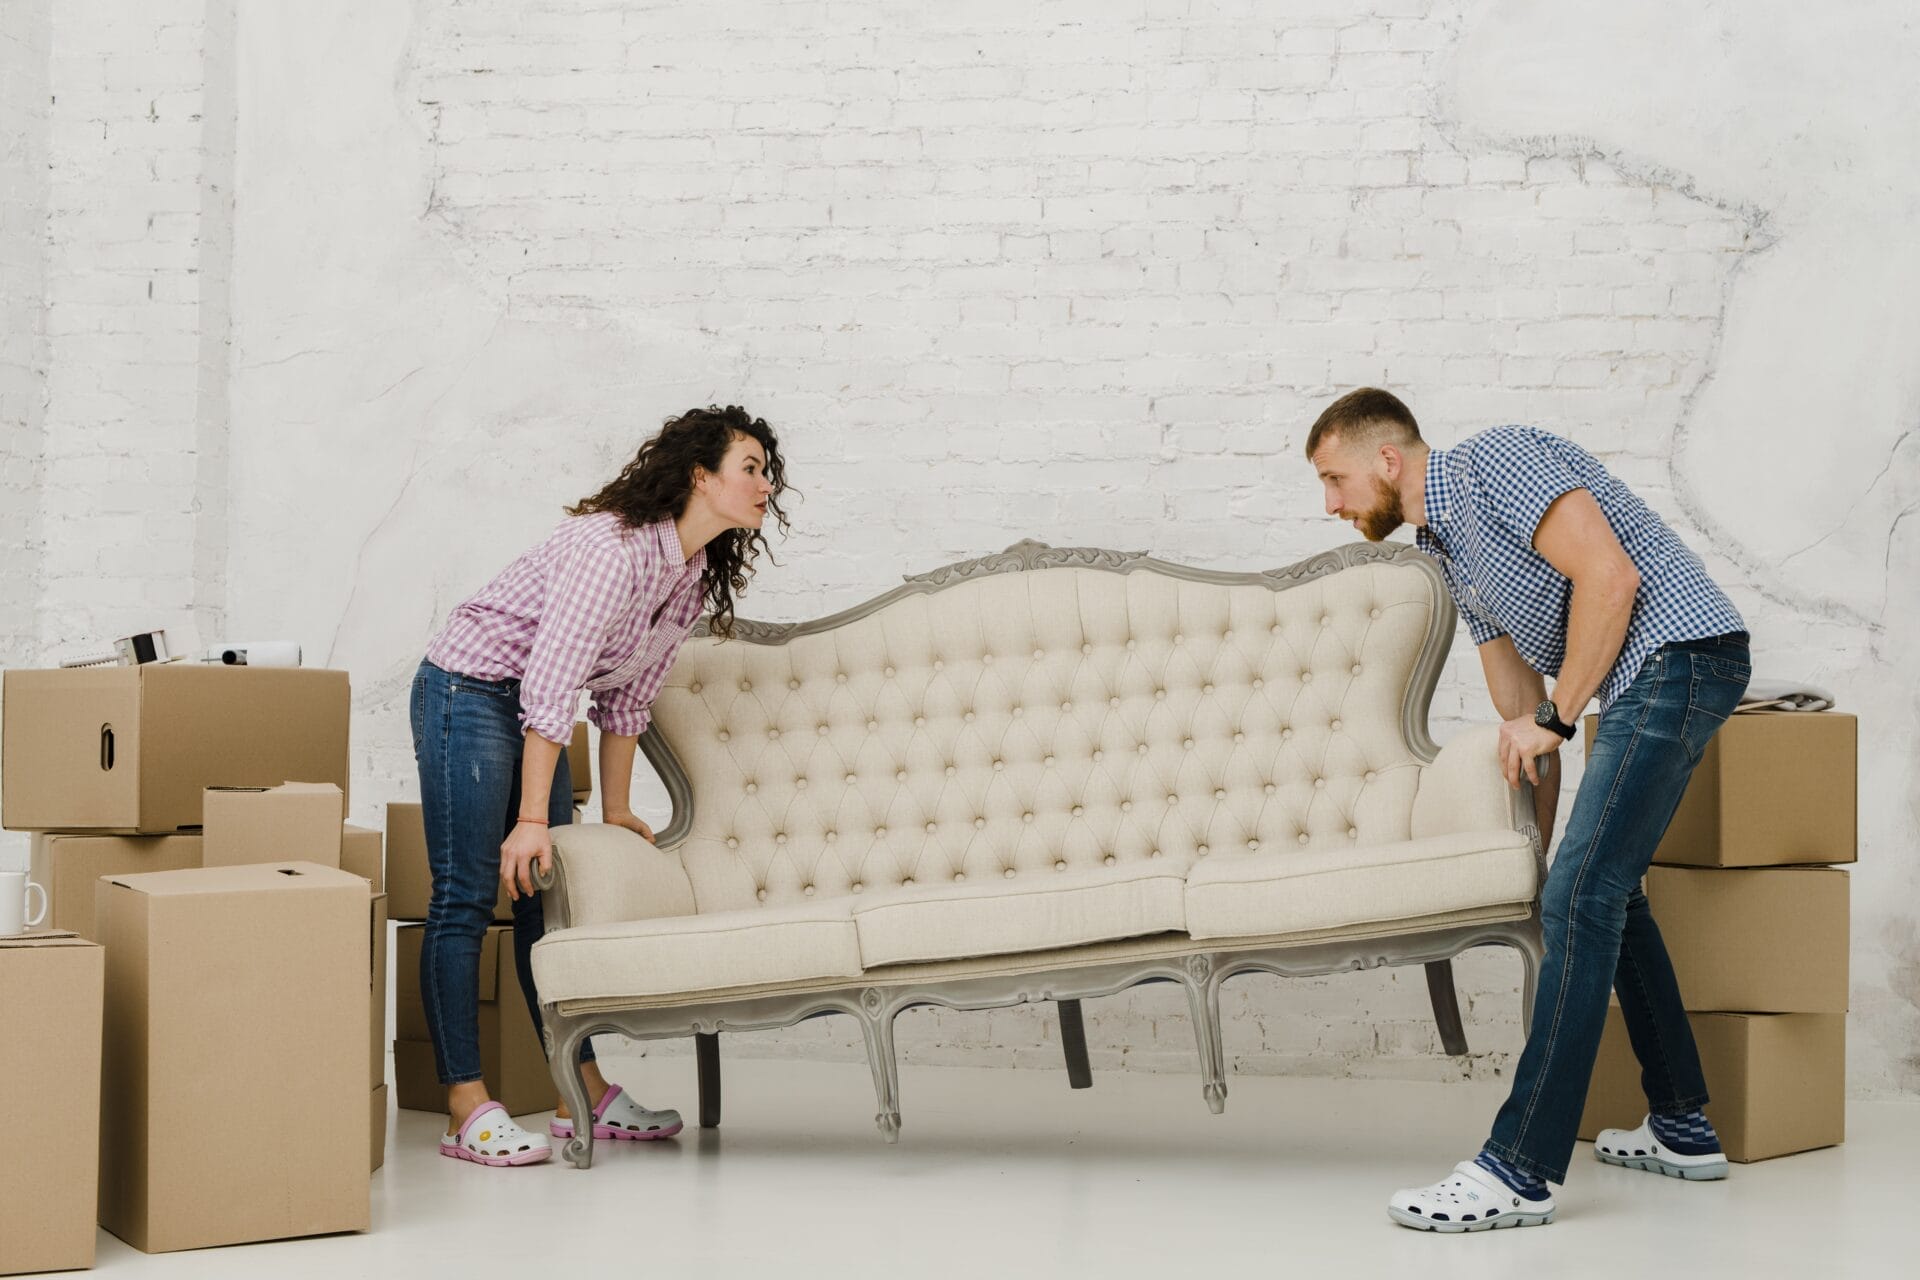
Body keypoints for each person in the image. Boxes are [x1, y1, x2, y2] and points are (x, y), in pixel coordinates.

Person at [1304, 388, 1750, 1230]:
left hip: (1678, 656)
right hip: (1640, 676)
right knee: (1597, 889)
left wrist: (1556, 720)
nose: (1331, 504)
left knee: (1586, 896)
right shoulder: (1448, 551)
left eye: (1335, 479)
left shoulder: (1493, 461)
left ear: (1387, 460)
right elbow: (1521, 714)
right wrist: (1531, 852)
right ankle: (1684, 1125)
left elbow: (1610, 579)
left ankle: (1520, 1170)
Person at [413, 404, 789, 1166]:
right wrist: (529, 818)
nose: (766, 484)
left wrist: (615, 809)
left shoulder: (687, 572)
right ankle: (465, 1105)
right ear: (699, 475)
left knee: (543, 902)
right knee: (465, 892)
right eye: (750, 468)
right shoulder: (610, 548)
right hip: (470, 688)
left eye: (768, 471)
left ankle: (576, 1092)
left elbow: (627, 699)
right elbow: (552, 685)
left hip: (529, 713)